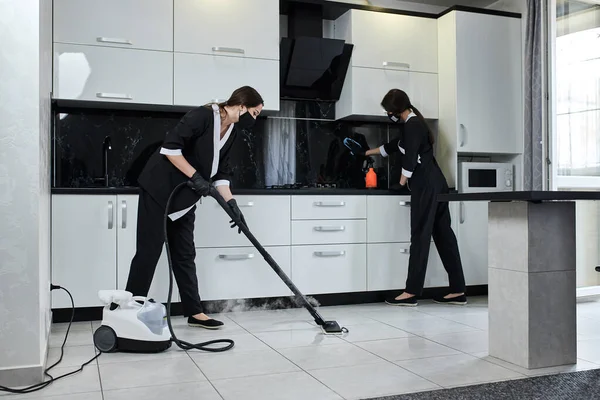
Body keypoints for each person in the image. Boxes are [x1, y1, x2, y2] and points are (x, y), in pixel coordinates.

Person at [125, 86, 264, 329]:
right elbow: (170, 149)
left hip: (185, 198)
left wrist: (231, 204)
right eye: (254, 113)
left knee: (185, 254)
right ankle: (129, 312)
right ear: (241, 106)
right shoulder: (202, 115)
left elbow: (221, 173)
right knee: (149, 252)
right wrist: (196, 177)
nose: (255, 119)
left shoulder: (231, 132)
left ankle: (194, 312)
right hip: (159, 191)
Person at [356, 89, 467, 306]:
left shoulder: (413, 125)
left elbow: (410, 159)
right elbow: (393, 147)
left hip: (426, 186)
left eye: (389, 111)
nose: (388, 114)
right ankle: (457, 290)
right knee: (445, 237)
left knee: (420, 237)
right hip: (437, 184)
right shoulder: (413, 125)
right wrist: (366, 153)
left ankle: (411, 292)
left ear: (396, 110)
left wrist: (400, 183)